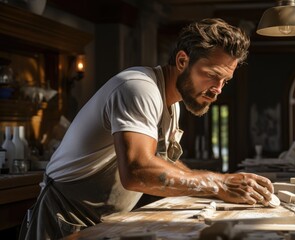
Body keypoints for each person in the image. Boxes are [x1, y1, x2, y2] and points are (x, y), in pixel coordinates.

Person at [20, 18, 275, 240]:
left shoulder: (172, 103)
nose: (218, 88)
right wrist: (219, 183)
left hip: (104, 222)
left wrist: (222, 190)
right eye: (211, 75)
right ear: (183, 60)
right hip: (65, 219)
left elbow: (164, 164)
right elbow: (137, 170)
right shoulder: (138, 88)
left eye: (225, 80)